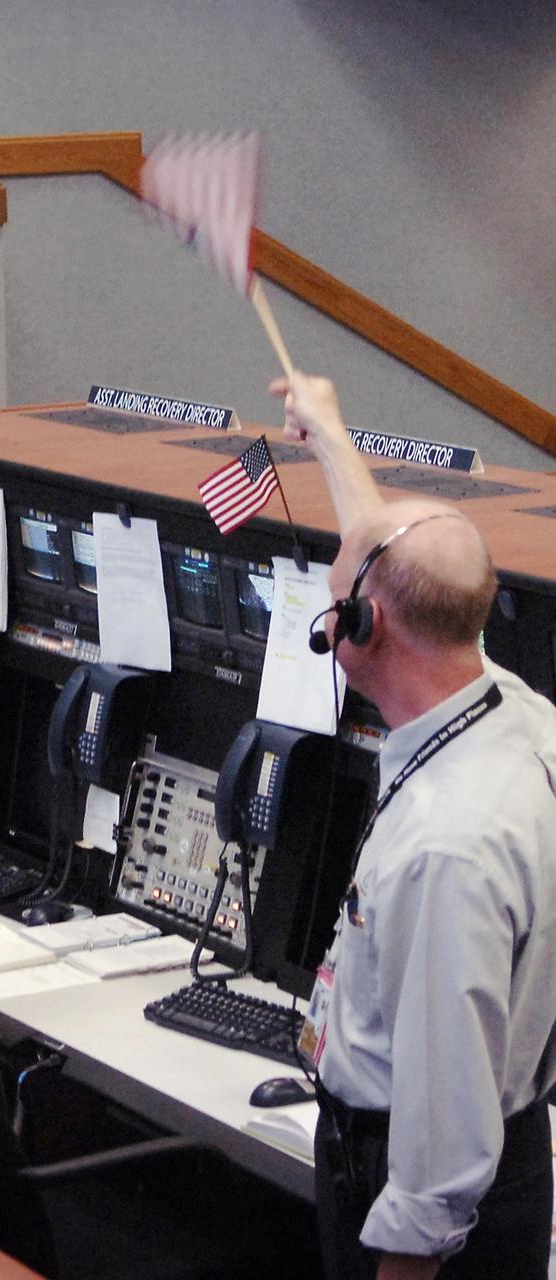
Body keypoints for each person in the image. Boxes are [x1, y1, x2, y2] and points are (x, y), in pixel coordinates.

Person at [272, 372, 556, 1279]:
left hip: (420, 1204)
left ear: (362, 624)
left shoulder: (447, 850)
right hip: (506, 1164)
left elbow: (442, 1138)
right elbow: (399, 561)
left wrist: (400, 1266)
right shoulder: (510, 707)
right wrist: (328, 432)